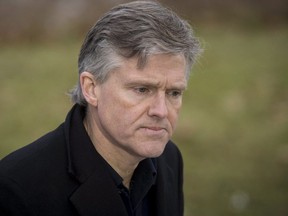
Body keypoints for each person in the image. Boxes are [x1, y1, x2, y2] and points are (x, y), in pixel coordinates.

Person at [0, 1, 201, 215]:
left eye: (174, 93)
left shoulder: (169, 159)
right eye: (142, 89)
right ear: (92, 88)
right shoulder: (16, 192)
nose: (161, 111)